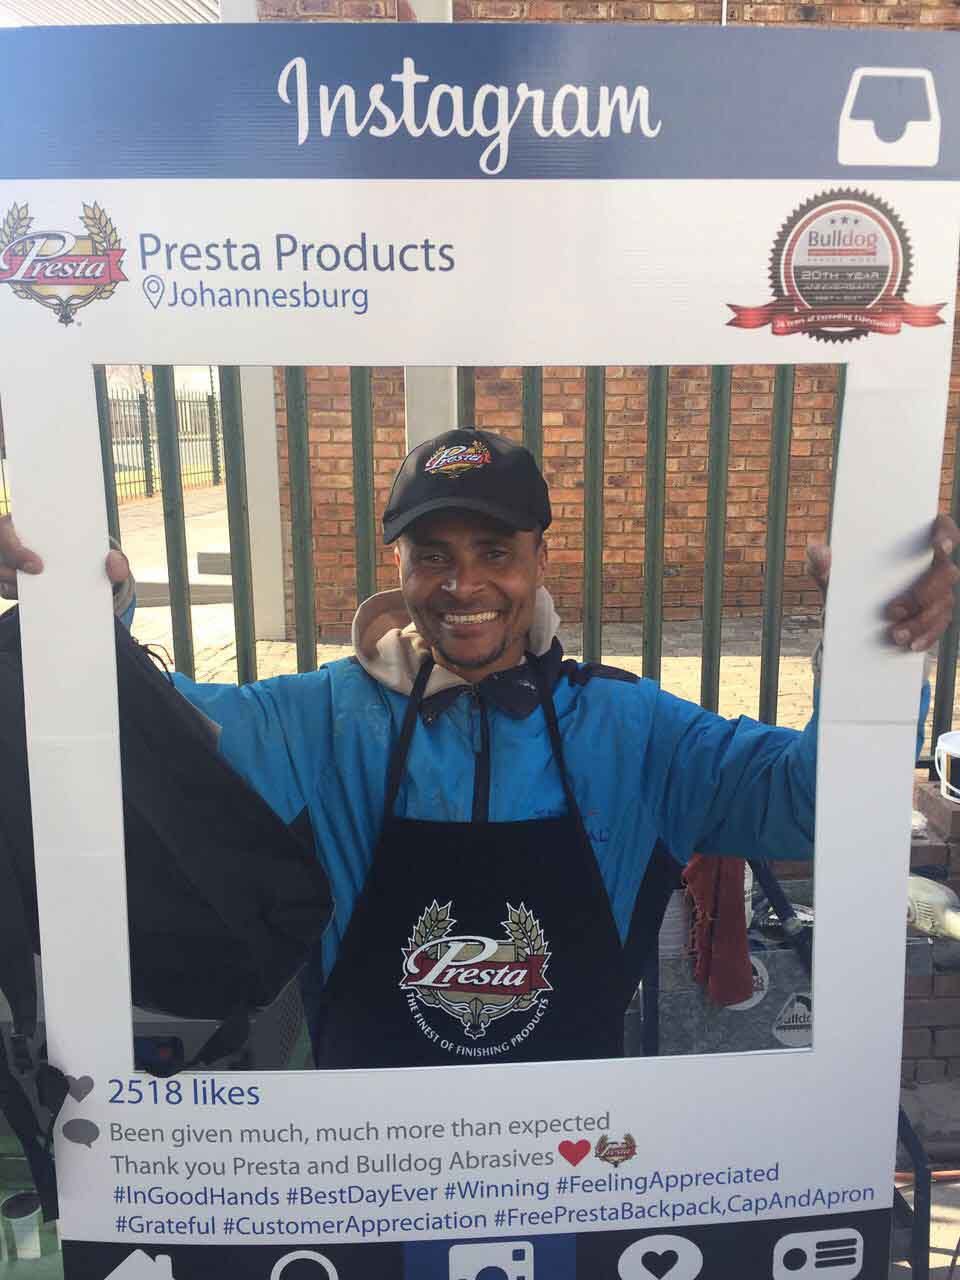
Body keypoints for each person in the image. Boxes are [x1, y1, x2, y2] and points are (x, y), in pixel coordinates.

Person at [1, 429, 957, 1069]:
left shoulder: (631, 730)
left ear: (541, 558)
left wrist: (874, 644)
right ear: (400, 566)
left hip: (568, 1154)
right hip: (368, 1159)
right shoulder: (322, 718)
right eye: (433, 556)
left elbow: (813, 805)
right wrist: (80, 607)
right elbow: (146, 745)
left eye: (494, 552)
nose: (463, 585)